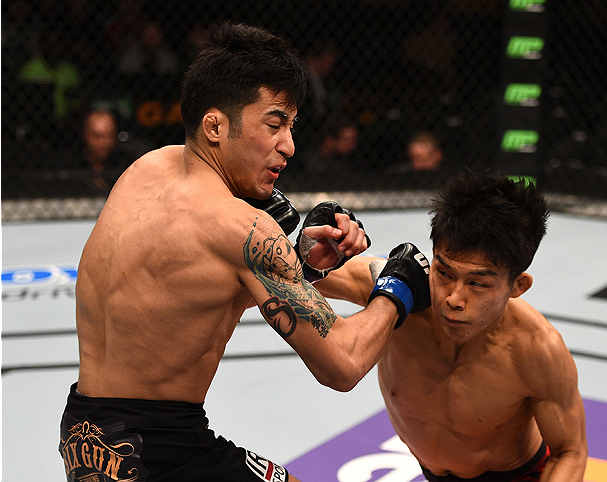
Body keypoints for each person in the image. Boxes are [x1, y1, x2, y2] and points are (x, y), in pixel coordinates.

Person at [58, 22, 430, 482]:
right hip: (159, 448)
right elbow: (343, 362)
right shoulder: (242, 228)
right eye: (274, 124)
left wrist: (304, 266)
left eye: (291, 127)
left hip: (84, 436)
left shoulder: (146, 169)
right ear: (215, 125)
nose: (289, 145)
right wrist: (399, 287)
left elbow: (188, 280)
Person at [316, 170, 588, 481]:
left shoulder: (537, 349)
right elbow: (279, 272)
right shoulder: (396, 290)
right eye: (444, 273)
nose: (454, 298)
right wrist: (308, 252)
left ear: (517, 286)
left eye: (477, 283)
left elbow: (570, 451)